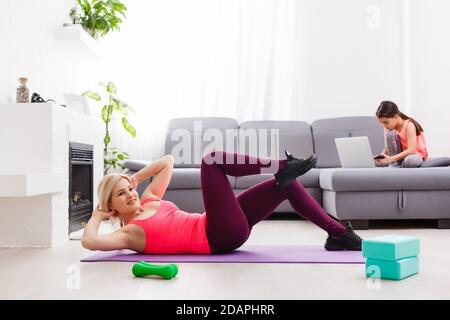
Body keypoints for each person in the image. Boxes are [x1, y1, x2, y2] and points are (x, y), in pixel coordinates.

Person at [81, 151, 362, 254]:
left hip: (221, 226)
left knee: (286, 185)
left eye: (128, 188)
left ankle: (338, 234)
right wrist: (97, 215)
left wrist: (135, 178)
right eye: (121, 194)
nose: (130, 193)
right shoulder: (129, 234)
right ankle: (281, 164)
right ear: (112, 206)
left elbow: (167, 162)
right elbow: (90, 242)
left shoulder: (149, 198)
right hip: (216, 236)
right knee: (211, 162)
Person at [375, 100, 428, 167]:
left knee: (410, 161)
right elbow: (387, 147)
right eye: (382, 123)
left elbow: (411, 150)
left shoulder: (409, 125)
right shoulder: (390, 129)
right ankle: (396, 164)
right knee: (375, 162)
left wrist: (391, 159)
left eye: (386, 122)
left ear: (396, 117)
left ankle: (396, 165)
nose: (384, 126)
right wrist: (381, 156)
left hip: (415, 155)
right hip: (399, 157)